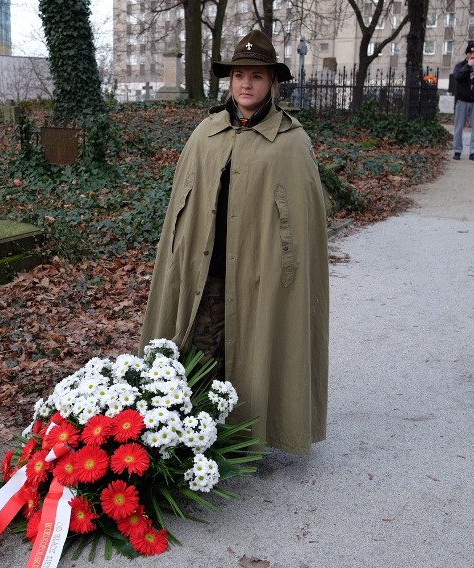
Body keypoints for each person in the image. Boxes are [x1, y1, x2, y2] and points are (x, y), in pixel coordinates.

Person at [140, 29, 329, 456]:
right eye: (239, 74)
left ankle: (248, 439)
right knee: (203, 355)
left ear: (272, 83)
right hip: (206, 270)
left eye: (257, 76)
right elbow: (181, 211)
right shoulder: (205, 134)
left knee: (255, 352)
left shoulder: (291, 142)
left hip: (260, 275)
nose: (246, 84)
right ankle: (193, 443)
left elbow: (303, 224)